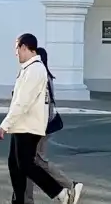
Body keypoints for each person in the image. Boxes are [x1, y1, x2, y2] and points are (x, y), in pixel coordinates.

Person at [0, 33, 75, 203]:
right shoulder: (29, 68)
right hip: (22, 125)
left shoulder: (35, 70)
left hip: (29, 126)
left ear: (24, 47)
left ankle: (61, 193)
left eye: (16, 49)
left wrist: (4, 125)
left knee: (26, 165)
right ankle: (20, 201)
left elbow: (22, 102)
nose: (16, 53)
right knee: (15, 166)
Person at [24, 47, 82, 204]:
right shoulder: (44, 76)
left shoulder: (41, 77)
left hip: (39, 127)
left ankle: (69, 186)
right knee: (30, 162)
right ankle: (27, 199)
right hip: (41, 125)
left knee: (34, 162)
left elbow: (42, 105)